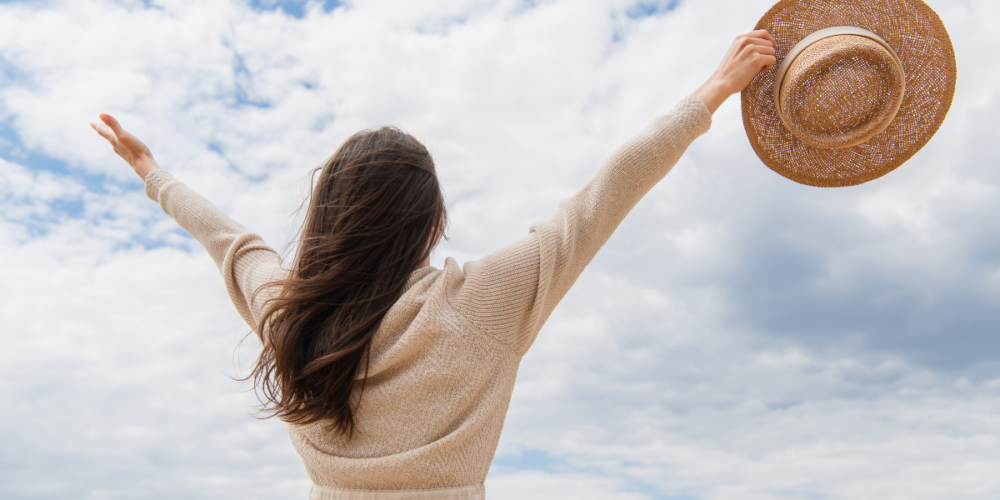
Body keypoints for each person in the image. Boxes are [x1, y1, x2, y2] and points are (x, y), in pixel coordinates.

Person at [91, 30, 776, 500]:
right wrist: (716, 86)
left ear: (329, 214)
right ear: (431, 221)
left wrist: (152, 171)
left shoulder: (289, 315)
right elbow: (607, 192)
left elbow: (233, 242)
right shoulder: (485, 301)